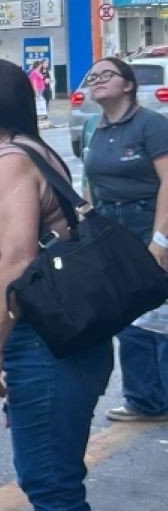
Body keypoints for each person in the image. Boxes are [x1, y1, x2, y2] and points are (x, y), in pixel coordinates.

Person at [0, 59, 113, 511]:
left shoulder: (7, 159)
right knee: (56, 481)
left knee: (52, 487)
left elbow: (19, 258)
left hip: (39, 342)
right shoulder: (34, 151)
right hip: (59, 339)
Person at [80, 57, 168, 423]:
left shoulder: (152, 125)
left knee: (158, 315)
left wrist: (161, 239)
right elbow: (89, 182)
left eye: (107, 75)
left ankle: (155, 395)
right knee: (126, 313)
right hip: (108, 225)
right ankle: (146, 398)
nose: (97, 81)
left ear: (128, 85)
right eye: (93, 76)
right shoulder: (92, 127)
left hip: (147, 219)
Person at [29, 61, 48, 126]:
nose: (41, 66)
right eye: (40, 65)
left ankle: (40, 117)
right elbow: (34, 83)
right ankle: (39, 117)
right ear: (38, 65)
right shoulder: (35, 72)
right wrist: (36, 92)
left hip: (40, 90)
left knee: (41, 103)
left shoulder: (37, 72)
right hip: (38, 90)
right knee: (39, 104)